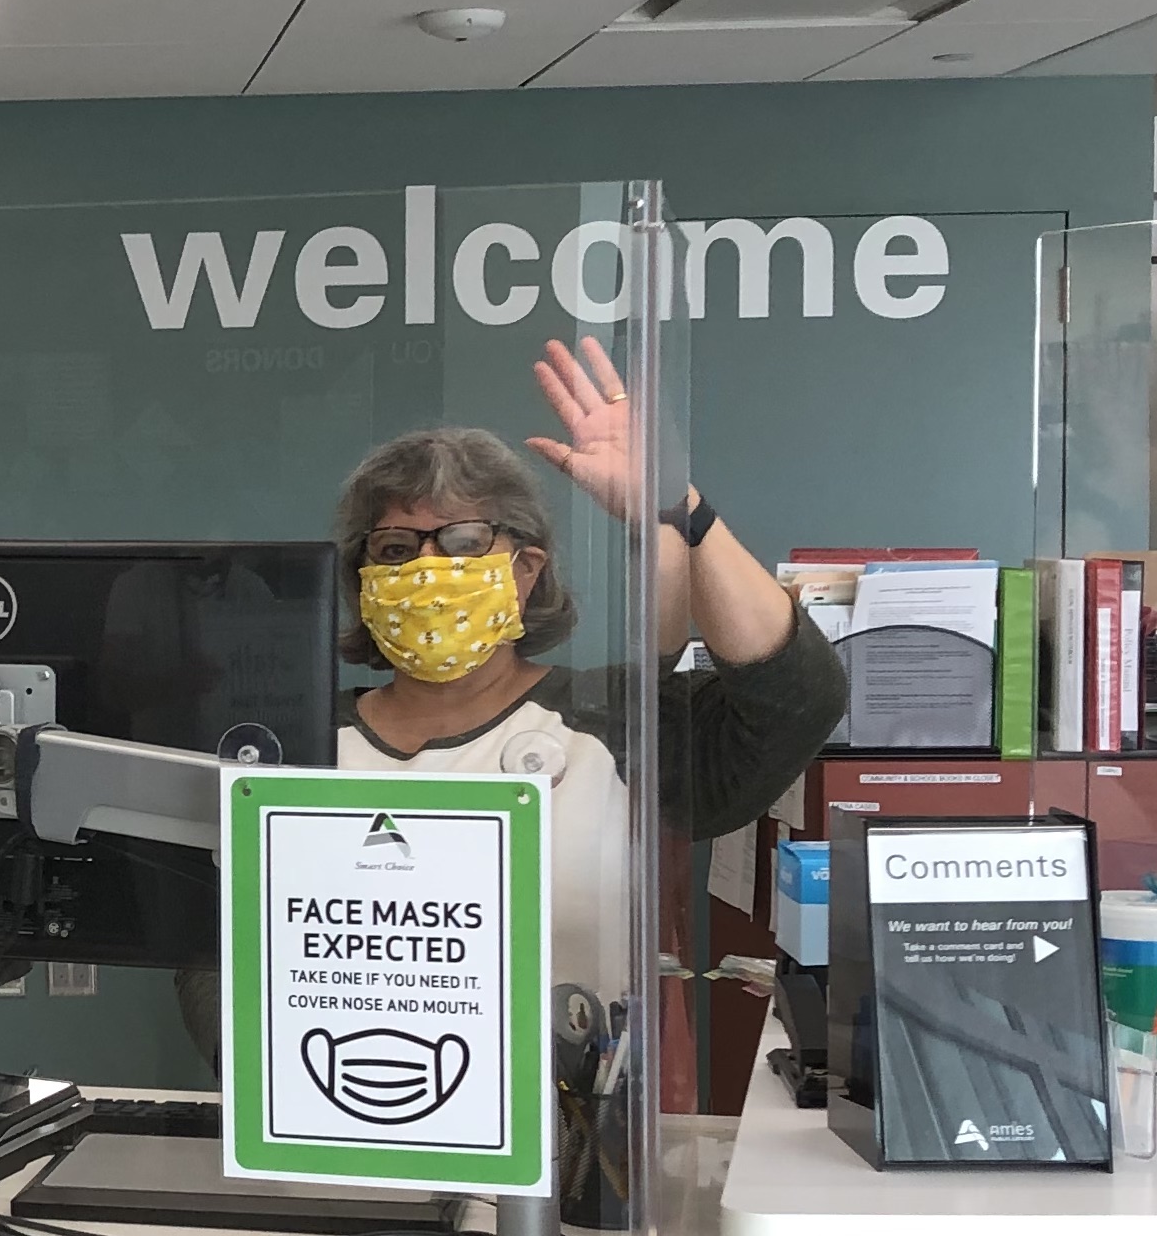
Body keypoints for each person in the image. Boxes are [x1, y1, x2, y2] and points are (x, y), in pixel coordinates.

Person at [334, 337, 845, 1000]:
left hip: (567, 1098)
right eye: (397, 548)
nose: (429, 569)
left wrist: (677, 507)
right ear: (364, 580)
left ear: (526, 570)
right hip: (343, 1079)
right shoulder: (300, 742)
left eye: (465, 542)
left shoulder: (614, 723)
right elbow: (217, 945)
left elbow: (799, 698)